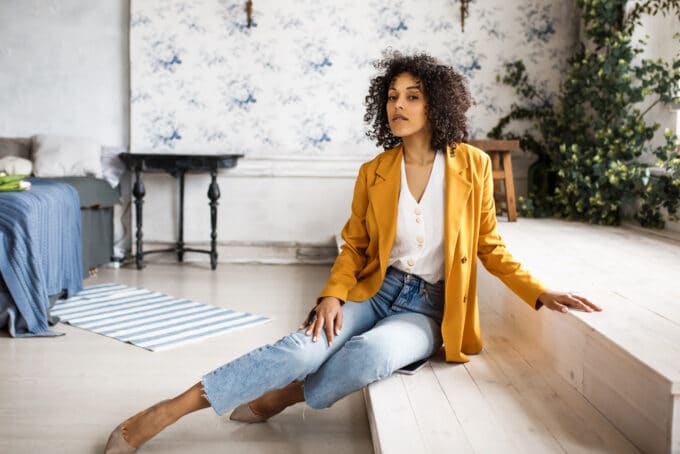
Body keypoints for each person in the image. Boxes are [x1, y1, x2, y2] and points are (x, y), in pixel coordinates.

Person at [105, 51, 602, 453]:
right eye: (391, 97)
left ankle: (285, 394)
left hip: (427, 309)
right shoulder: (375, 171)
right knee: (303, 346)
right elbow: (355, 246)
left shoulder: (470, 166)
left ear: (437, 107)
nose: (398, 106)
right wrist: (332, 296)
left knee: (369, 356)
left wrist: (540, 292)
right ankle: (166, 410)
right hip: (375, 289)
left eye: (412, 96)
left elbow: (489, 247)